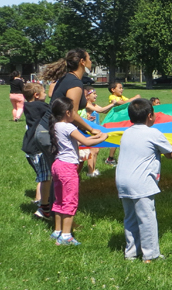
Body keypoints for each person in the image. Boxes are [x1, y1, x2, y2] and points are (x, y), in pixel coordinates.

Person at [116, 98, 172, 262]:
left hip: (122, 181)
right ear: (150, 116)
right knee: (147, 218)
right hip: (141, 182)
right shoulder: (153, 133)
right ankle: (150, 255)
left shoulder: (127, 132)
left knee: (130, 217)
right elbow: (170, 154)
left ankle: (131, 253)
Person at [49, 97, 108, 245]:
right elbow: (86, 142)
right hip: (68, 167)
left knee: (59, 199)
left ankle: (57, 231)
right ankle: (66, 236)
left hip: (57, 165)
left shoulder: (55, 125)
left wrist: (96, 135)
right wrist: (103, 137)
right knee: (70, 200)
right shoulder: (69, 127)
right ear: (68, 112)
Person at [41, 48, 101, 138]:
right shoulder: (74, 83)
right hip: (49, 132)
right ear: (82, 61)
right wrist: (91, 129)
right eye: (89, 59)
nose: (91, 61)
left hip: (49, 129)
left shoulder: (68, 78)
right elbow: (71, 113)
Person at [21, 83, 53, 219]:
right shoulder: (40, 106)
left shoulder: (28, 106)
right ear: (36, 95)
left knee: (42, 175)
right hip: (38, 147)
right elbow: (54, 112)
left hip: (29, 146)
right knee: (46, 177)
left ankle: (40, 201)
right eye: (44, 92)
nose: (46, 94)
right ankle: (44, 208)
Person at [79, 86, 116, 177]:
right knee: (92, 151)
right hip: (86, 132)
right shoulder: (86, 105)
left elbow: (103, 111)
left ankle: (93, 169)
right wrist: (113, 104)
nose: (96, 95)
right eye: (94, 94)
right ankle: (90, 172)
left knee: (96, 150)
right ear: (87, 96)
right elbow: (101, 110)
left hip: (95, 131)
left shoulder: (94, 105)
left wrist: (112, 107)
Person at [105, 82, 140, 166]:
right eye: (120, 88)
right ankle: (110, 158)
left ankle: (124, 159)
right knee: (115, 139)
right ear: (113, 90)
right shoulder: (112, 97)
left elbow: (128, 102)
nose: (122, 89)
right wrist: (135, 98)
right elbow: (123, 103)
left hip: (123, 122)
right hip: (115, 122)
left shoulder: (121, 97)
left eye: (122, 88)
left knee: (123, 139)